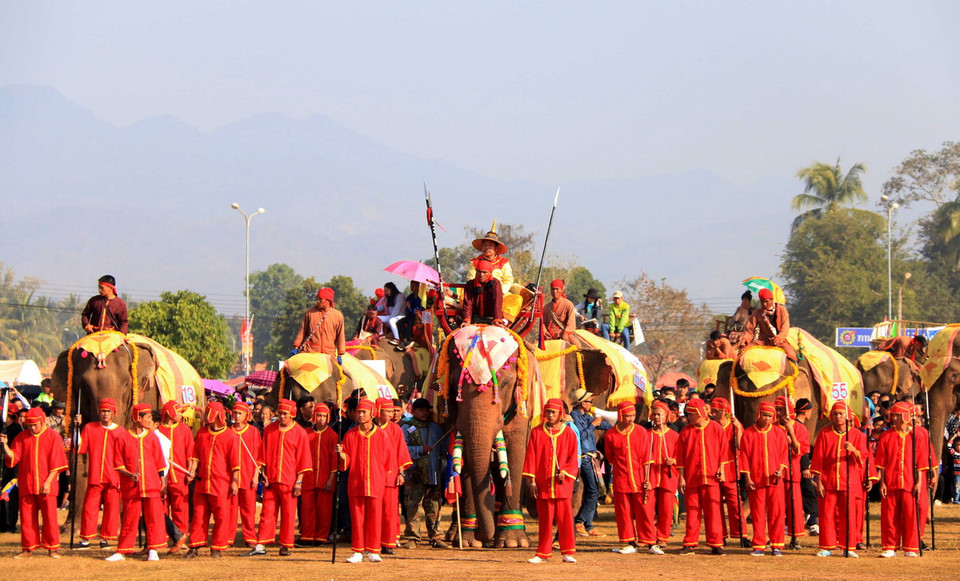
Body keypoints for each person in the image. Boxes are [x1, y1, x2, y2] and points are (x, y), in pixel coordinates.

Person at [1, 407, 67, 559]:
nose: (32, 428)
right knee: (27, 517)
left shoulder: (53, 436)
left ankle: (52, 548)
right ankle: (27, 549)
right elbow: (14, 457)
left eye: (35, 425)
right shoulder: (21, 437)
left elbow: (56, 463)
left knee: (50, 517)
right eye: (30, 425)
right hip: (27, 483)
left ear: (42, 421)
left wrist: (49, 482)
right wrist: (5, 446)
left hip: (47, 484)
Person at [247, 399, 311, 557]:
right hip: (271, 479)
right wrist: (263, 473)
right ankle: (261, 543)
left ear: (292, 415)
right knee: (267, 512)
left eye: (285, 414)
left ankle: (285, 545)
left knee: (289, 514)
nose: (282, 417)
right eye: (280, 414)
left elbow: (303, 459)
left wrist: (299, 482)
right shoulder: (270, 430)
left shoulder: (300, 433)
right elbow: (263, 453)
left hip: (289, 480)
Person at [106, 403, 167, 562]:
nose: (149, 420)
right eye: (147, 417)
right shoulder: (123, 437)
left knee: (154, 517)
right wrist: (129, 474)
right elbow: (118, 463)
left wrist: (163, 480)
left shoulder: (152, 437)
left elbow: (159, 460)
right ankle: (122, 551)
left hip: (152, 484)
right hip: (131, 486)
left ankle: (153, 550)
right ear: (137, 418)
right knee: (129, 517)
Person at [523, 398, 579, 564]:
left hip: (562, 486)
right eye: (548, 411)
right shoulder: (537, 432)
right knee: (545, 521)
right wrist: (532, 482)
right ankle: (543, 553)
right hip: (543, 484)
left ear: (560, 414)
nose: (550, 415)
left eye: (553, 412)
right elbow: (531, 458)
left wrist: (566, 472)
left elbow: (573, 458)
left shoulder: (569, 433)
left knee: (565, 520)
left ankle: (567, 552)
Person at [810, 402, 868, 558]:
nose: (838, 416)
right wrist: (819, 481)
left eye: (841, 413)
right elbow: (818, 458)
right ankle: (826, 546)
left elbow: (863, 458)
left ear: (847, 415)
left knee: (848, 515)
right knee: (827, 514)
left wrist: (854, 450)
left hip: (849, 481)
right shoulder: (824, 433)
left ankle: (848, 546)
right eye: (835, 414)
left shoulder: (857, 435)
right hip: (828, 480)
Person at [337, 399, 390, 563]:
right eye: (358, 412)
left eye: (363, 412)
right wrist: (341, 454)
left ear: (372, 414)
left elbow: (388, 460)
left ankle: (374, 549)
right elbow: (346, 461)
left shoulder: (381, 435)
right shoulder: (350, 435)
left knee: (374, 516)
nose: (360, 415)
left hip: (375, 481)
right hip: (356, 482)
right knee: (357, 517)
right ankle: (358, 550)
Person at [875, 401, 930, 557]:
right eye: (894, 415)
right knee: (889, 515)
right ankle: (889, 547)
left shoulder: (917, 435)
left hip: (910, 481)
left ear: (906, 416)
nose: (896, 418)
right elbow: (882, 462)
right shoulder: (886, 435)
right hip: (891, 481)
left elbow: (921, 461)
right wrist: (882, 482)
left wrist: (919, 482)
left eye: (899, 415)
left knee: (910, 515)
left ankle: (910, 547)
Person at [185, 402, 239, 558]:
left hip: (221, 483)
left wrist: (234, 481)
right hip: (202, 482)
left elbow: (235, 463)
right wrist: (192, 471)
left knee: (221, 516)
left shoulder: (230, 436)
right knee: (199, 515)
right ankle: (194, 546)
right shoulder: (201, 433)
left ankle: (217, 547)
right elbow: (195, 456)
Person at [604, 401, 657, 555]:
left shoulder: (641, 432)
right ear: (620, 415)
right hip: (621, 478)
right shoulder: (610, 435)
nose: (630, 419)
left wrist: (648, 479)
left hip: (641, 477)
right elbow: (611, 458)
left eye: (633, 415)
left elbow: (647, 457)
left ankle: (649, 542)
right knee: (624, 512)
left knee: (645, 511)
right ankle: (629, 542)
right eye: (627, 416)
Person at [676, 398, 726, 555]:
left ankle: (716, 543)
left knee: (713, 511)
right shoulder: (685, 431)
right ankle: (690, 543)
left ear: (700, 414)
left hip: (711, 478)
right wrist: (682, 477)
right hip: (692, 477)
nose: (689, 417)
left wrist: (722, 469)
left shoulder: (716, 428)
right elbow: (681, 457)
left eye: (691, 414)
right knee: (692, 511)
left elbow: (723, 451)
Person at [740, 402, 788, 557]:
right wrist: (747, 477)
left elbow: (783, 455)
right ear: (758, 415)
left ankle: (776, 545)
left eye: (769, 416)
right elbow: (745, 457)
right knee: (758, 513)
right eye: (764, 415)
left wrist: (780, 470)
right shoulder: (748, 433)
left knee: (777, 513)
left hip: (775, 481)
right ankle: (759, 545)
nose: (766, 419)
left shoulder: (779, 433)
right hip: (756, 480)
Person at [76, 398, 123, 549]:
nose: (105, 414)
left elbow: (126, 454)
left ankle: (106, 538)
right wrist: (77, 428)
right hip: (95, 475)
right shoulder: (90, 428)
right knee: (90, 507)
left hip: (114, 476)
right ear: (99, 412)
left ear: (113, 413)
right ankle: (86, 539)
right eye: (103, 411)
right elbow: (80, 447)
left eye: (108, 411)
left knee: (112, 509)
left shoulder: (120, 431)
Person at [401, 398, 448, 548]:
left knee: (434, 505)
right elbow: (403, 450)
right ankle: (413, 537)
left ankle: (436, 536)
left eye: (426, 410)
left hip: (433, 472)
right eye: (420, 410)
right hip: (414, 474)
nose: (424, 413)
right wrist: (420, 450)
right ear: (413, 411)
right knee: (413, 505)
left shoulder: (436, 428)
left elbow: (443, 449)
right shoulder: (406, 427)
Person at [569, 389, 610, 537]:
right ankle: (579, 522)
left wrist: (617, 423)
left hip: (591, 457)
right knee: (593, 491)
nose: (591, 404)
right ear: (581, 402)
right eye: (589, 401)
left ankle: (588, 525)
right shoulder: (574, 416)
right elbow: (580, 434)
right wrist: (593, 424)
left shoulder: (586, 416)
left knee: (593, 491)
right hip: (584, 458)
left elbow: (603, 426)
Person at [375, 398, 412, 554]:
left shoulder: (395, 429)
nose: (392, 414)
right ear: (378, 412)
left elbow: (401, 452)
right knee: (375, 511)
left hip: (391, 476)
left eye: (392, 411)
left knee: (390, 511)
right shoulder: (370, 429)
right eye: (388, 411)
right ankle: (373, 542)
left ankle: (389, 542)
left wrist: (401, 472)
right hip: (374, 476)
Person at [157, 401, 195, 549]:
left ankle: (181, 536)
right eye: (178, 412)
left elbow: (190, 452)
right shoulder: (158, 429)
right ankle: (163, 538)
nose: (181, 415)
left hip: (180, 474)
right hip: (162, 475)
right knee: (162, 507)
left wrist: (191, 470)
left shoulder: (184, 429)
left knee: (181, 507)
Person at [298, 403, 338, 546]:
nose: (321, 419)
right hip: (308, 478)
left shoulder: (333, 435)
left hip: (325, 478)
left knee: (324, 510)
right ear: (314, 416)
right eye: (319, 415)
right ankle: (307, 536)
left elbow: (334, 460)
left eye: (324, 416)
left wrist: (331, 479)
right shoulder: (305, 433)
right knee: (307, 509)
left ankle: (321, 537)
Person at [709, 397, 745, 544]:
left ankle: (741, 534)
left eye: (716, 411)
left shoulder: (734, 426)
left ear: (725, 412)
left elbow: (742, 447)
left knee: (735, 503)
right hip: (714, 468)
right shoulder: (710, 426)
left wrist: (739, 429)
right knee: (716, 504)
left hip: (731, 467)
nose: (713, 414)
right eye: (712, 411)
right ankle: (720, 536)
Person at [775, 396, 809, 547]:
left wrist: (791, 434)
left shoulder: (800, 428)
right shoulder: (773, 427)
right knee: (777, 506)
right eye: (776, 409)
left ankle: (795, 537)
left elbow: (800, 450)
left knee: (794, 506)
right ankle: (776, 536)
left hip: (793, 470)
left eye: (781, 409)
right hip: (776, 472)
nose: (778, 412)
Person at [647, 400, 679, 551]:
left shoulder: (674, 436)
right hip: (651, 476)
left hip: (668, 475)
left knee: (666, 509)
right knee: (648, 507)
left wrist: (674, 460)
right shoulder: (647, 435)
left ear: (666, 416)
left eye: (660, 414)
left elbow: (682, 456)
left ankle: (662, 537)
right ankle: (649, 536)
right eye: (655, 414)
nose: (657, 417)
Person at [230, 401, 262, 549]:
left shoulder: (253, 432)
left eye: (240, 413)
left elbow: (258, 455)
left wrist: (256, 475)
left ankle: (249, 536)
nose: (237, 416)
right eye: (235, 413)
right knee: (230, 509)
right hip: (231, 478)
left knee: (249, 509)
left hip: (249, 475)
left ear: (246, 415)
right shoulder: (228, 431)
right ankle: (228, 537)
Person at [740, 288, 795, 361]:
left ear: (772, 300)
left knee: (791, 355)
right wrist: (745, 339)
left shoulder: (782, 310)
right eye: (762, 302)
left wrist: (779, 338)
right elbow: (750, 331)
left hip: (779, 341)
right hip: (763, 341)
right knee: (742, 352)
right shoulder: (757, 313)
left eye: (766, 301)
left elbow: (785, 328)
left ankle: (796, 370)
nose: (764, 304)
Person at [292, 287, 347, 358]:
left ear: (328, 300)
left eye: (320, 299)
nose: (317, 301)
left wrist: (340, 354)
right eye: (317, 299)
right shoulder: (310, 313)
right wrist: (296, 347)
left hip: (328, 354)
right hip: (310, 352)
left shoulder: (338, 316)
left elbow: (340, 336)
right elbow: (302, 331)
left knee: (340, 369)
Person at [466, 223, 514, 294]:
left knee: (517, 300)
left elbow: (508, 280)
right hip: (478, 293)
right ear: (482, 247)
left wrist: (501, 292)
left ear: (496, 248)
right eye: (485, 245)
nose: (487, 247)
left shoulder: (503, 262)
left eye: (490, 245)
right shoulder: (475, 262)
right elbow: (471, 279)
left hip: (500, 293)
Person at [461, 259, 504, 326]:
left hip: (492, 318)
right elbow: (468, 303)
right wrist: (467, 320)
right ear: (475, 271)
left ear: (490, 272)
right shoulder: (470, 284)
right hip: (475, 318)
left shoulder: (495, 283)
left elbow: (497, 302)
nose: (481, 275)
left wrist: (497, 320)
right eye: (479, 272)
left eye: (484, 272)